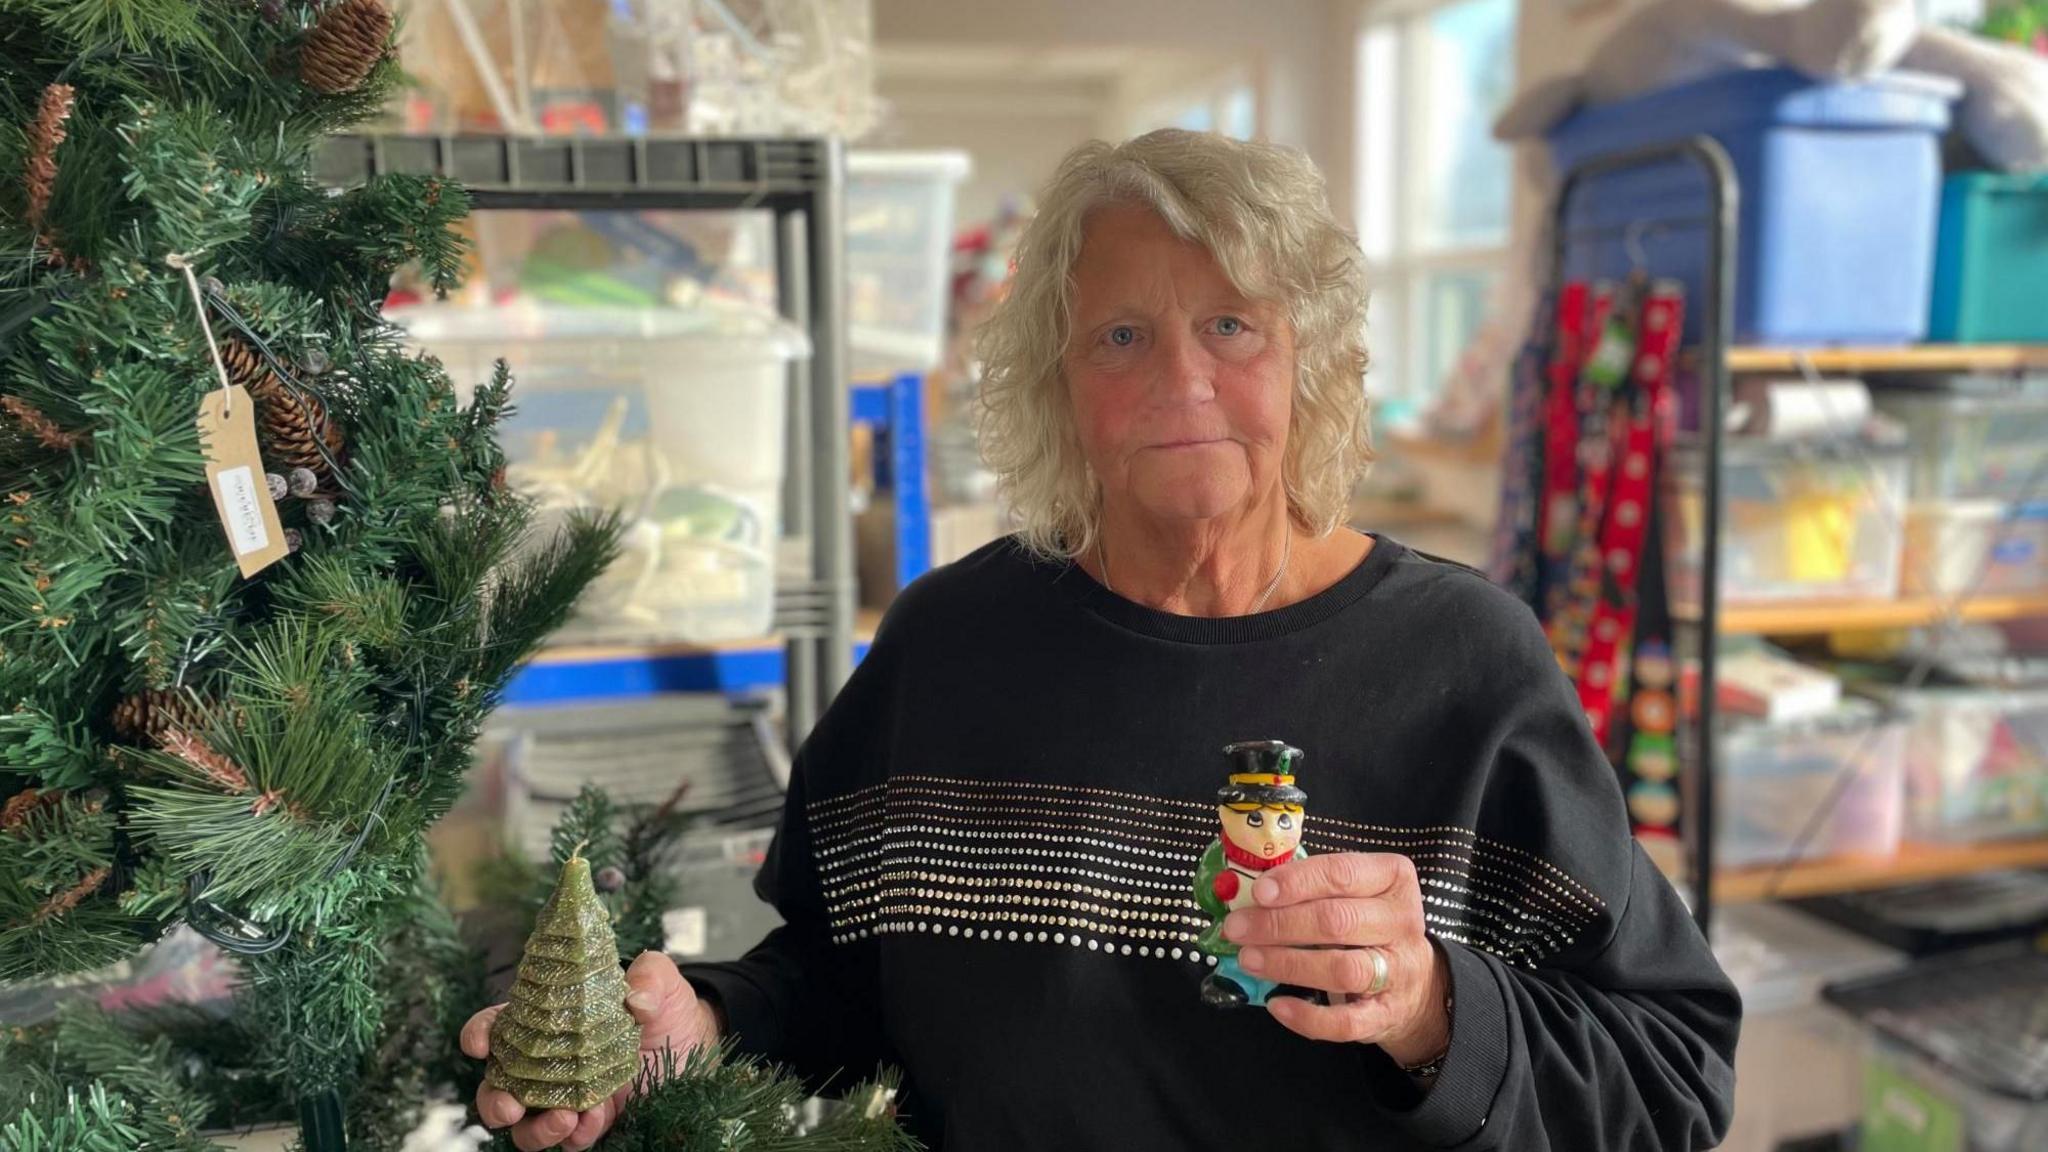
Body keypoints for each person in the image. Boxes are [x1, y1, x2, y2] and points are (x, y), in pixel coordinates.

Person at [460, 128, 1741, 1151]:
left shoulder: (1467, 664)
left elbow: (1671, 1077)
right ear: (1059, 393)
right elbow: (843, 988)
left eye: (1230, 326)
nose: (1180, 381)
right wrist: (703, 1019)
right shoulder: (946, 646)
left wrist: (1427, 1009)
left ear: (1314, 368)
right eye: (1120, 337)